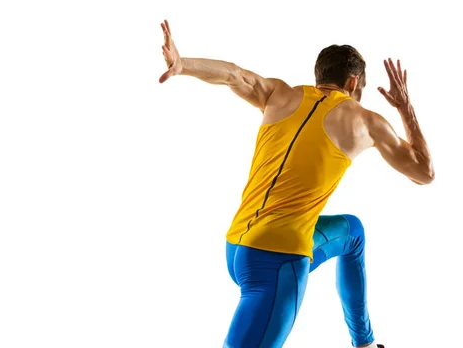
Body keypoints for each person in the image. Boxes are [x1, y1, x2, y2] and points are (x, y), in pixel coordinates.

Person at [158, 19, 434, 348]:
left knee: (352, 232)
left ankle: (364, 343)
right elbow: (424, 173)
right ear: (353, 81)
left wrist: (183, 64)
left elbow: (234, 74)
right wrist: (405, 108)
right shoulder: (365, 121)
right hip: (276, 263)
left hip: (237, 246)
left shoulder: (280, 94)